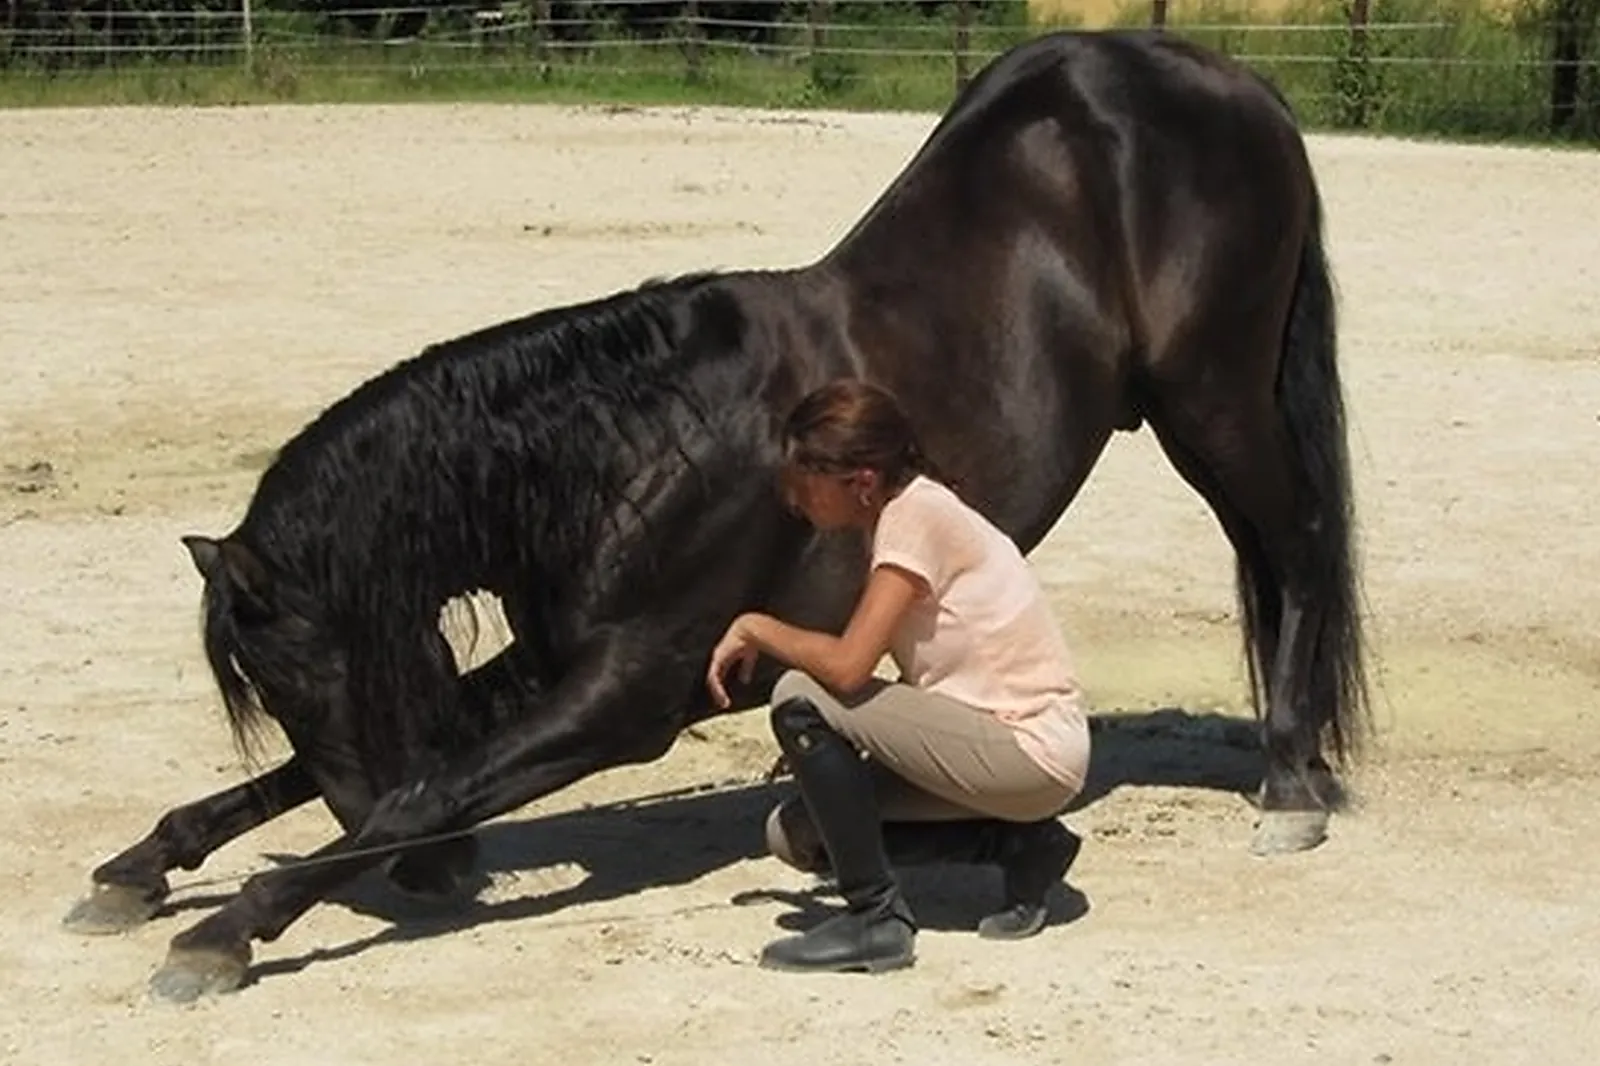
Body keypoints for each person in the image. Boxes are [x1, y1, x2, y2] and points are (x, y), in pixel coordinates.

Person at [706, 378, 1091, 975]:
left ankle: (875, 920)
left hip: (1028, 747)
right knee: (799, 834)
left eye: (805, 481)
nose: (794, 499)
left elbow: (848, 666)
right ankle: (1021, 844)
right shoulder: (908, 511)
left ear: (861, 481)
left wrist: (756, 627)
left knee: (798, 695)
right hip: (995, 744)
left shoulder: (917, 517)